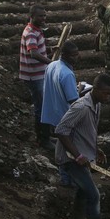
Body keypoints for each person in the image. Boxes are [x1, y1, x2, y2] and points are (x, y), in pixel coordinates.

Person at [55, 74, 110, 219]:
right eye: (105, 94)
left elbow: (87, 131)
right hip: (70, 159)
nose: (108, 98)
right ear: (96, 90)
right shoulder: (81, 107)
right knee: (94, 195)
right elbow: (60, 130)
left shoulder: (96, 105)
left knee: (84, 189)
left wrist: (95, 150)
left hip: (82, 155)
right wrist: (78, 155)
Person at [41, 41, 80, 186]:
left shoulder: (52, 65)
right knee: (68, 148)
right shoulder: (67, 74)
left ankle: (65, 175)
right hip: (65, 116)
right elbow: (73, 101)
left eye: (77, 54)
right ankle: (66, 179)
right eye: (73, 55)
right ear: (64, 55)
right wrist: (80, 92)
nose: (76, 58)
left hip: (53, 113)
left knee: (61, 145)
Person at [19, 5, 52, 149]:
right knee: (42, 108)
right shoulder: (31, 32)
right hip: (34, 76)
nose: (43, 18)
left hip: (37, 74)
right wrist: (52, 63)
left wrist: (50, 50)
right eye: (40, 16)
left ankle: (46, 136)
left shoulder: (36, 31)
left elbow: (37, 49)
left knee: (43, 106)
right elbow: (33, 53)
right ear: (32, 16)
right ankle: (43, 140)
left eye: (45, 15)